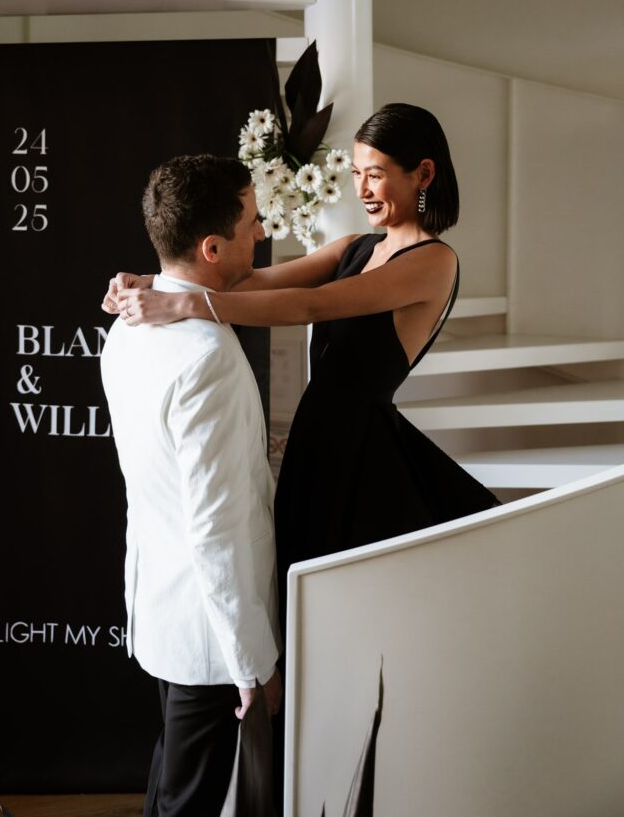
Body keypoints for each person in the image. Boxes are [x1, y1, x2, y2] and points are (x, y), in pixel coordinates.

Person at [103, 104, 498, 630]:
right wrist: (153, 282)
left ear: (423, 174)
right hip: (315, 441)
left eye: (376, 174)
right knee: (299, 597)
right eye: (356, 173)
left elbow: (313, 305)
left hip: (362, 451)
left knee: (343, 613)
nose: (362, 189)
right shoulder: (356, 247)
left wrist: (185, 304)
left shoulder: (435, 261)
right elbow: (251, 282)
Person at [100, 154, 282, 817]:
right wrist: (251, 663)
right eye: (252, 220)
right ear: (212, 248)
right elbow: (216, 529)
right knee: (186, 805)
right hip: (209, 634)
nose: (261, 232)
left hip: (162, 608)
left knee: (170, 789)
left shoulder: (125, 329)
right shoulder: (209, 358)